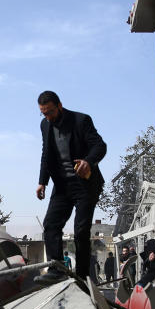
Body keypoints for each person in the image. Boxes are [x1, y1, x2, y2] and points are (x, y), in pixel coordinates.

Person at [34, 90, 106, 284]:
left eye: (50, 112)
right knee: (50, 224)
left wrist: (88, 162)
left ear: (59, 106)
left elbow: (100, 146)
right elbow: (46, 154)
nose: (47, 117)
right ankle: (56, 267)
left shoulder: (81, 121)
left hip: (85, 184)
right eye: (43, 113)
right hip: (62, 185)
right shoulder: (45, 125)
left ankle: (83, 277)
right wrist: (42, 181)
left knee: (81, 231)